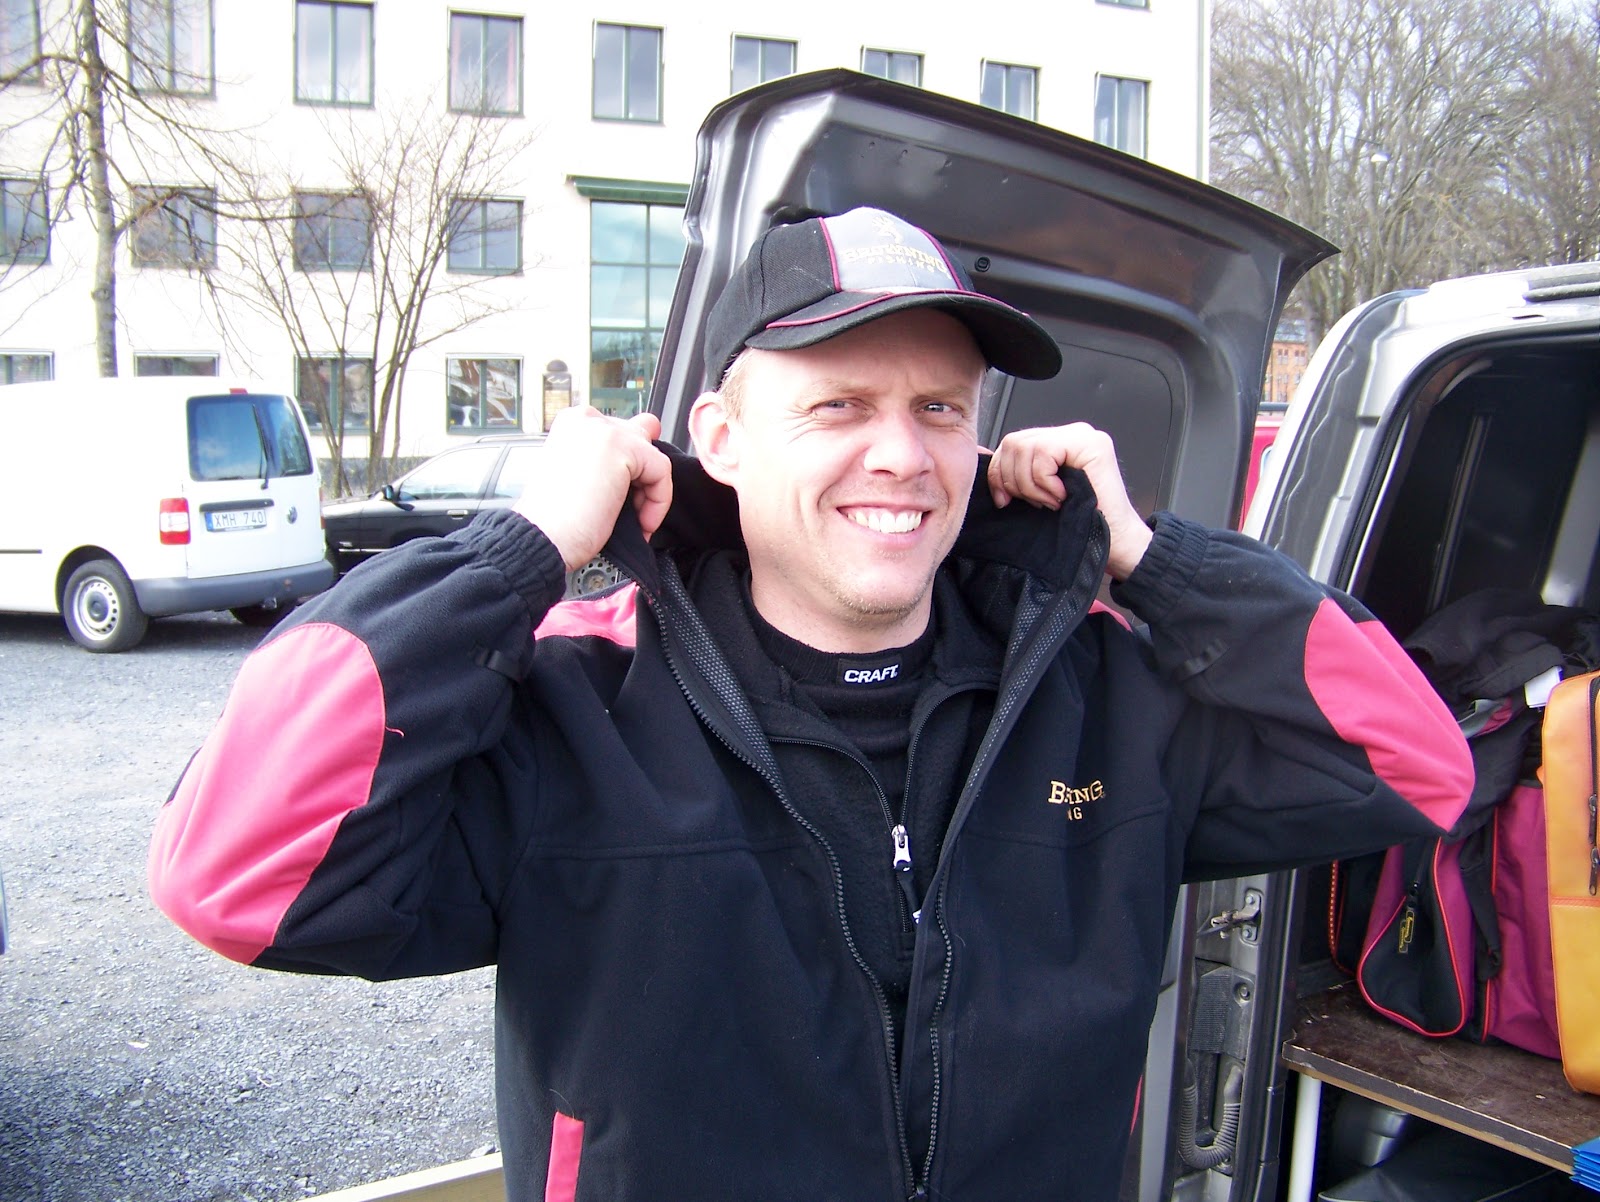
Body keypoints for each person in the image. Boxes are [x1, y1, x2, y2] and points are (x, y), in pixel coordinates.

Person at [149, 206, 1473, 1202]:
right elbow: (236, 866)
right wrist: (523, 548)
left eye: (939, 407)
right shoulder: (577, 711)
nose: (901, 452)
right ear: (720, 439)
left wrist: (1148, 553)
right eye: (839, 403)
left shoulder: (1103, 697)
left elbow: (1416, 760)